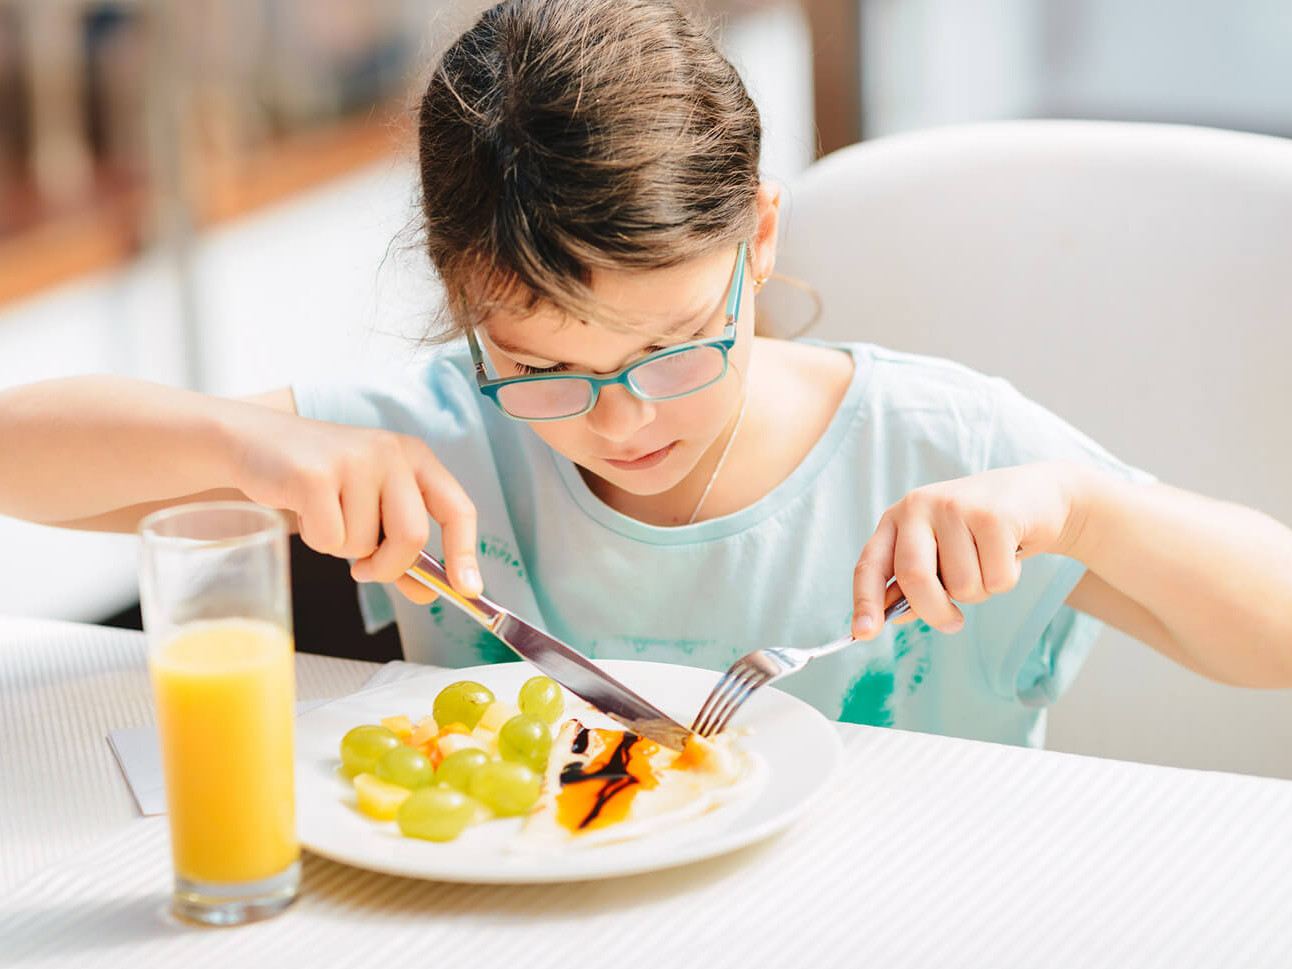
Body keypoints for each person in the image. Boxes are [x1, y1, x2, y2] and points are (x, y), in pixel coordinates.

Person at [1, 0, 1290, 747]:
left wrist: (1082, 514)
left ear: (759, 243)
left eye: (675, 349)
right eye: (545, 366)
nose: (620, 421)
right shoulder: (451, 439)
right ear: (466, 311)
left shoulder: (939, 451)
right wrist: (249, 452)